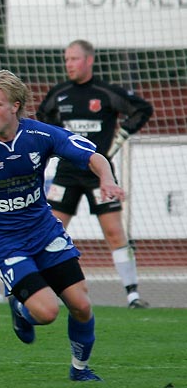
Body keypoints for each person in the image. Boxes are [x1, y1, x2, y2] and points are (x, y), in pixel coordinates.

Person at [0, 69, 122, 381]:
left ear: (15, 106)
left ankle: (80, 371)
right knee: (47, 312)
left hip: (43, 230)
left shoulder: (40, 135)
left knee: (81, 305)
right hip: (2, 239)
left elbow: (93, 156)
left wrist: (107, 179)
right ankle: (20, 308)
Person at [36, 39, 153, 309]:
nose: (69, 64)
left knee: (114, 232)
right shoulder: (59, 93)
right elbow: (42, 119)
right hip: (66, 173)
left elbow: (142, 109)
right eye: (66, 59)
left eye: (74, 59)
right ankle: (38, 290)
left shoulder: (105, 92)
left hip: (99, 174)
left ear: (89, 60)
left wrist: (119, 139)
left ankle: (132, 295)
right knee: (50, 232)